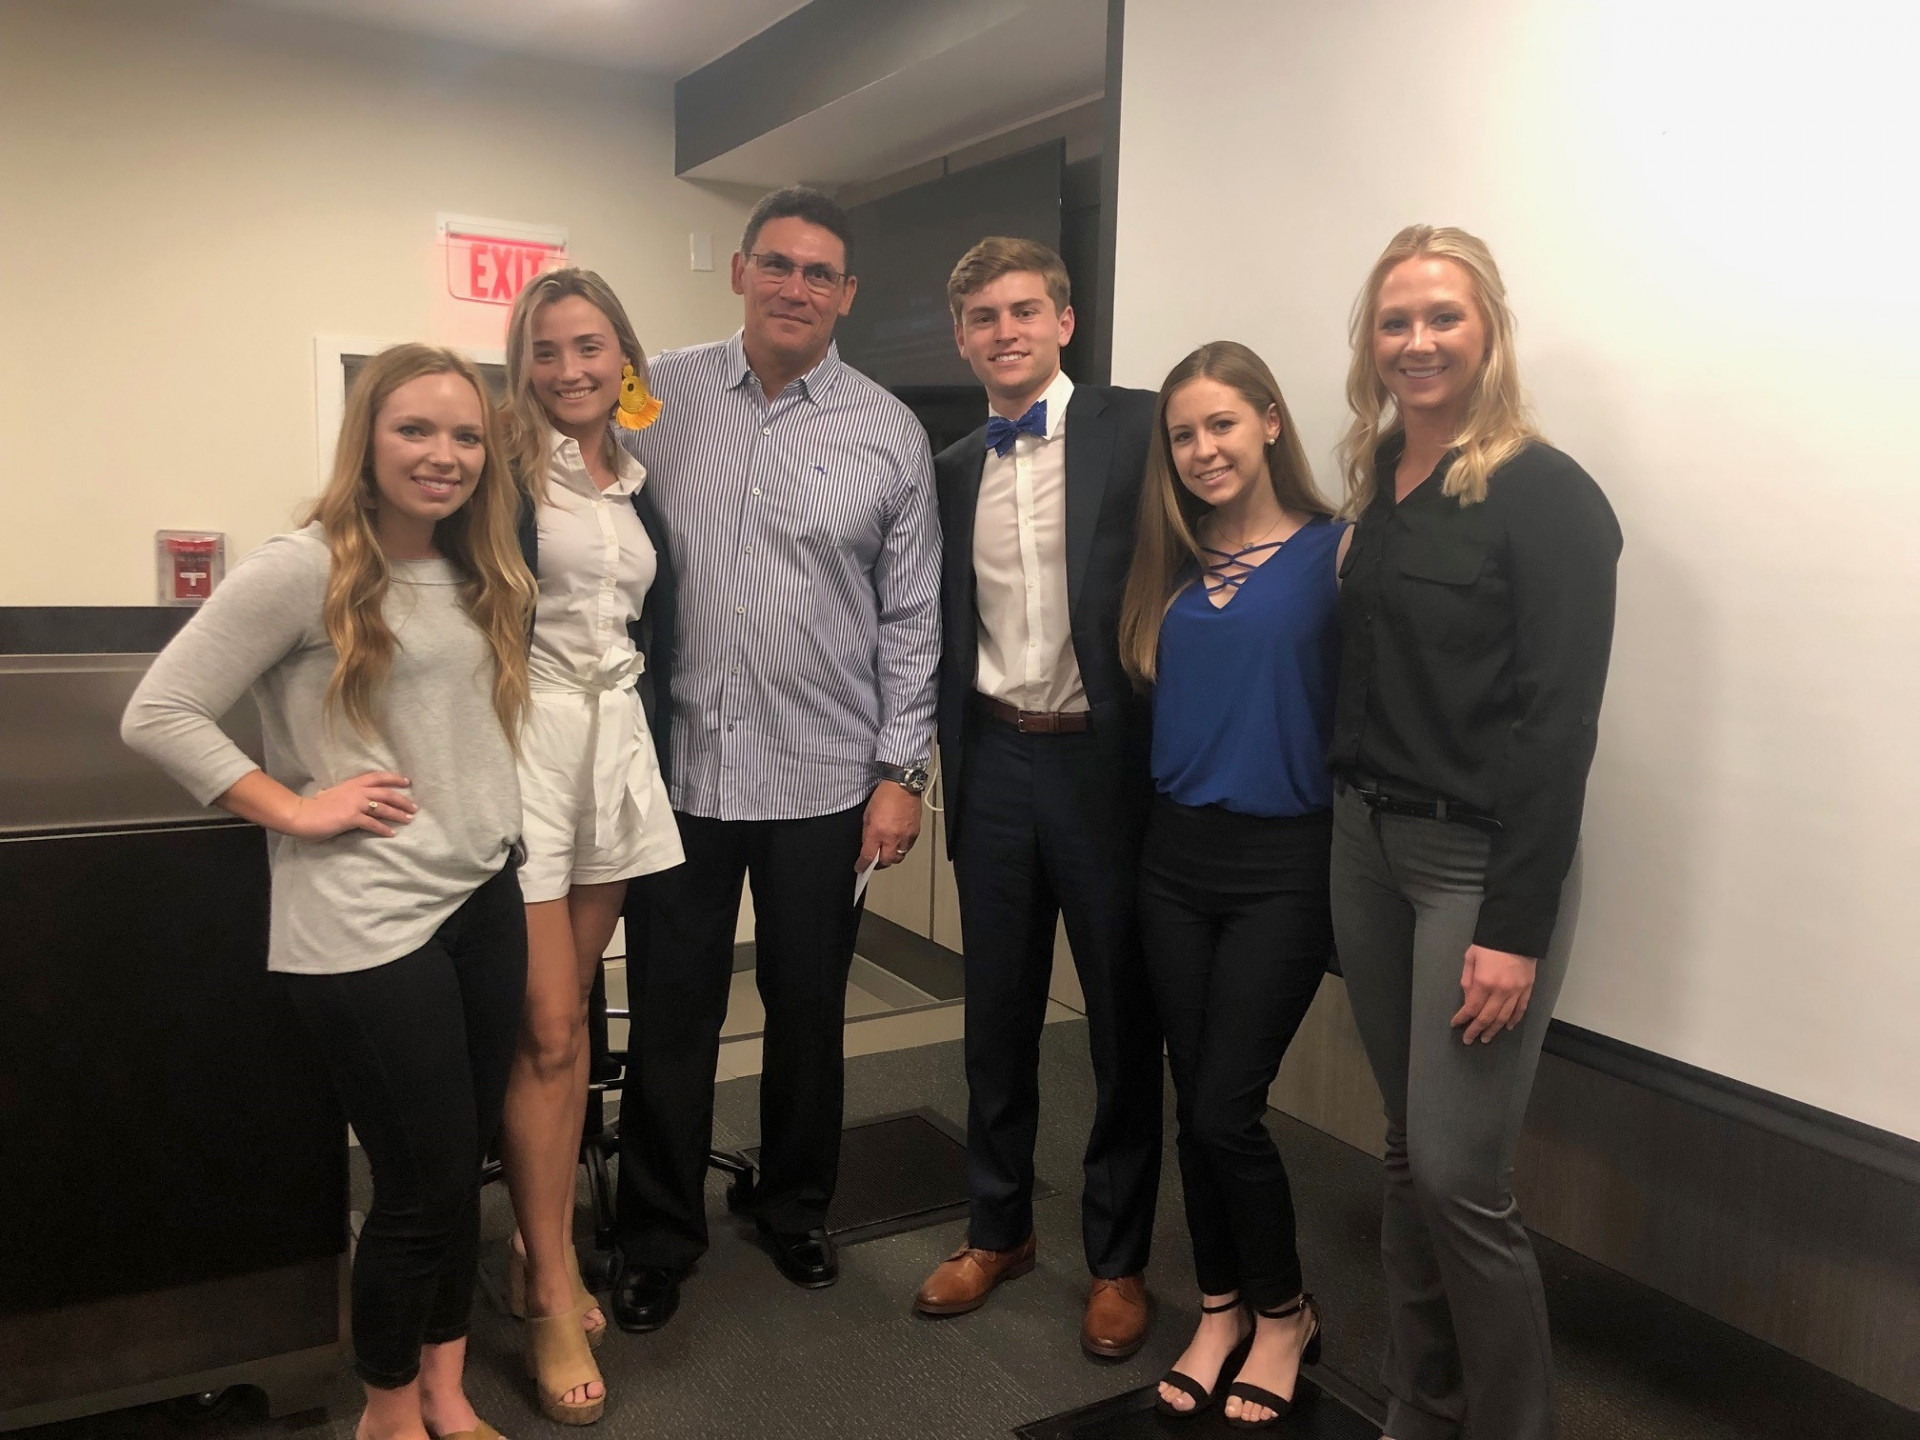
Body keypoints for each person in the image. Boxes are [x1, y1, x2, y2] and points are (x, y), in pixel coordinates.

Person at [121, 345, 534, 1440]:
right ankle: (389, 1410)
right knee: (420, 1185)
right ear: (367, 439)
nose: (442, 456)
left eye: (464, 436)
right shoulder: (302, 568)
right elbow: (159, 713)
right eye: (415, 430)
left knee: (463, 1168)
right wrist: (300, 807)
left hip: (481, 897)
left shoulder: (474, 565)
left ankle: (448, 1391)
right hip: (365, 923)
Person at [607, 186, 941, 1330]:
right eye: (779, 265)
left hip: (823, 784)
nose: (797, 287)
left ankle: (796, 1207)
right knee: (672, 1012)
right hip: (681, 777)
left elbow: (913, 618)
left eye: (821, 274)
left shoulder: (890, 432)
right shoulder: (656, 401)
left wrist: (901, 774)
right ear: (741, 271)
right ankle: (654, 1232)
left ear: (845, 296)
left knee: (807, 1012)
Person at [1328, 225, 1621, 1440]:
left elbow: (1559, 731)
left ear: (1489, 330)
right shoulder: (1379, 481)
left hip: (1475, 871)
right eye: (1396, 321)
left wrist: (1513, 928)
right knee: (1405, 1153)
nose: (1418, 341)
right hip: (1366, 851)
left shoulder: (1548, 495)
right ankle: (1420, 1401)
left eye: (1443, 316)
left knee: (1461, 1178)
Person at [910, 237, 1164, 1360]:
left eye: (1024, 311)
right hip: (997, 759)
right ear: (962, 338)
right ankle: (996, 1227)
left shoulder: (1143, 427)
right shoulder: (953, 462)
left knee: (1120, 1018)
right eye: (982, 318)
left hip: (1105, 764)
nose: (1004, 331)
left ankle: (1116, 1260)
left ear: (1065, 321)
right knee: (996, 1014)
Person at [1114, 341, 1344, 1428]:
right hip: (1173, 859)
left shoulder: (1337, 554)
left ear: (1269, 423)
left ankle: (1287, 1313)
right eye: (1183, 434)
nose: (1203, 450)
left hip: (1283, 865)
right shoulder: (1170, 559)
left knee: (1226, 1107)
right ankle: (1219, 1307)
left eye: (1220, 425)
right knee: (1189, 1093)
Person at [492, 268, 685, 1425]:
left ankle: (535, 1246)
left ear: (626, 358)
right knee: (549, 1025)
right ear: (522, 363)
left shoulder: (635, 481)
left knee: (570, 1029)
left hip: (615, 753)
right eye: (548, 350)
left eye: (591, 348)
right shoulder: (506, 475)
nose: (571, 370)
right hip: (526, 749)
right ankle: (553, 1290)